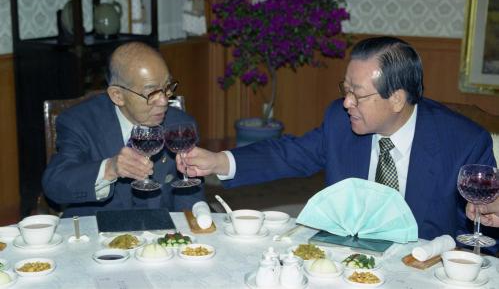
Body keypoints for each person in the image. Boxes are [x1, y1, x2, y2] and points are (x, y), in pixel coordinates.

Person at [178, 36, 497, 242]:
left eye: (357, 95)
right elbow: (289, 154)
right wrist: (219, 161)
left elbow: (482, 234)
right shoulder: (341, 122)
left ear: (397, 99)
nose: (346, 103)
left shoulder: (464, 143)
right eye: (345, 90)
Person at [42, 42, 204, 217]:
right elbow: (55, 184)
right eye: (151, 93)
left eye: (167, 88)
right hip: (97, 234)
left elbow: (190, 197)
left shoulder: (180, 127)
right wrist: (110, 168)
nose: (164, 101)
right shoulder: (80, 122)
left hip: (162, 235)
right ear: (117, 95)